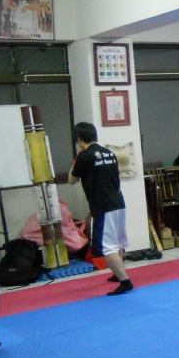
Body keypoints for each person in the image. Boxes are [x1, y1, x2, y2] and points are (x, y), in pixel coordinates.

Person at [69, 122, 133, 296]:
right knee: (118, 241)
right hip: (118, 202)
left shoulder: (84, 156)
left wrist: (75, 161)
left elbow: (71, 180)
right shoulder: (109, 153)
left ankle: (125, 281)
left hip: (103, 205)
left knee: (107, 247)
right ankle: (117, 273)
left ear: (79, 139)